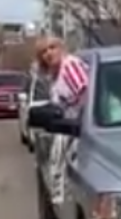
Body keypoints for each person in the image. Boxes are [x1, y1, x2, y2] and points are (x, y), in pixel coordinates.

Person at [36, 38, 89, 204]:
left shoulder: (69, 66)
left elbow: (86, 92)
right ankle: (61, 201)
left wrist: (78, 123)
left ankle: (64, 202)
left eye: (52, 48)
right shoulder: (55, 75)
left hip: (83, 127)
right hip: (72, 127)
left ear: (61, 48)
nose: (48, 53)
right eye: (43, 52)